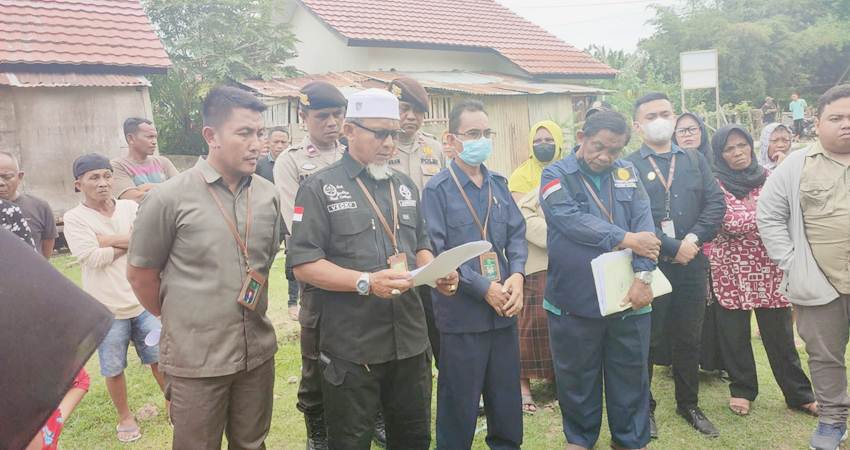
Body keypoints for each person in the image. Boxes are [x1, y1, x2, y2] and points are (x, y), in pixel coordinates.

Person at [289, 88, 457, 449]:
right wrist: (365, 281)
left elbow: (421, 246)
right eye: (378, 133)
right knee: (350, 441)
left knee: (412, 438)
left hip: (410, 342)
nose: (388, 143)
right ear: (349, 130)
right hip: (354, 347)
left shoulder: (406, 187)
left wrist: (436, 271)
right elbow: (304, 263)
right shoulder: (320, 188)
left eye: (393, 134)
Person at [127, 86, 281, 450]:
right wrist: (185, 318)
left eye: (259, 133)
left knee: (252, 443)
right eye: (244, 133)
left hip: (256, 352)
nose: (256, 143)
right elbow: (141, 276)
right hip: (196, 361)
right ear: (211, 136)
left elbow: (265, 261)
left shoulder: (267, 194)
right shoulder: (169, 197)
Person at [541, 110, 659, 450]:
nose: (605, 157)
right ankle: (579, 440)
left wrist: (643, 275)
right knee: (577, 379)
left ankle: (629, 441)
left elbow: (644, 224)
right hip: (574, 300)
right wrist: (626, 238)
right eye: (598, 147)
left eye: (614, 150)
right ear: (581, 137)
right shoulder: (555, 174)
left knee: (630, 379)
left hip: (629, 296)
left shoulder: (628, 172)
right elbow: (569, 220)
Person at [423, 99, 527, 449]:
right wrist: (483, 287)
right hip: (462, 316)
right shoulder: (437, 190)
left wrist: (518, 277)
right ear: (450, 139)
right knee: (459, 408)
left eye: (486, 133)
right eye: (472, 134)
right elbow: (437, 253)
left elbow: (516, 235)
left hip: (504, 314)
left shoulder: (499, 184)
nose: (481, 140)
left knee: (506, 403)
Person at [625, 92, 726, 438]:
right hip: (647, 265)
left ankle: (689, 404)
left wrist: (691, 242)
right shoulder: (627, 166)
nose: (659, 120)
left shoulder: (695, 160)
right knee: (647, 340)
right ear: (637, 125)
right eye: (650, 115)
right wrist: (670, 247)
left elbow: (715, 205)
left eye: (665, 113)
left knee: (689, 336)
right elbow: (629, 218)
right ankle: (645, 407)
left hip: (692, 262)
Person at [758, 84, 850, 450]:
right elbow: (769, 215)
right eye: (836, 118)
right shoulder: (797, 164)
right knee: (824, 355)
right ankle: (832, 420)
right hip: (819, 283)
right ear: (817, 121)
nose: (846, 125)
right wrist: (792, 263)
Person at [708, 124, 816, 417]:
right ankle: (742, 389)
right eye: (729, 148)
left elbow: (790, 212)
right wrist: (767, 216)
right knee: (734, 335)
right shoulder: (714, 183)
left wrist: (766, 217)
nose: (737, 152)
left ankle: (799, 394)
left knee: (780, 336)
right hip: (729, 270)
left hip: (769, 268)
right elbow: (730, 223)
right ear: (719, 154)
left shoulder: (771, 177)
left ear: (751, 147)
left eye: (742, 145)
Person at [63, 153, 165, 444]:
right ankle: (125, 417)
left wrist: (107, 239)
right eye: (94, 177)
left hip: (143, 301)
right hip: (105, 310)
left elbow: (148, 242)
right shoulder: (74, 218)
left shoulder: (130, 206)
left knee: (159, 359)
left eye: (107, 175)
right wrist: (129, 242)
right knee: (113, 367)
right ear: (78, 184)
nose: (103, 183)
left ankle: (174, 405)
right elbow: (92, 258)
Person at [272, 81, 350, 449]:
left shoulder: (352, 153)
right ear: (304, 117)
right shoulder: (289, 161)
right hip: (316, 272)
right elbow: (294, 221)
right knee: (314, 352)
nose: (332, 123)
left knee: (364, 345)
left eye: (338, 115)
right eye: (322, 116)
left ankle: (374, 415)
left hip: (357, 270)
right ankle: (316, 428)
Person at [386, 77, 445, 369]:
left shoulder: (434, 148)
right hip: (395, 249)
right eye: (404, 108)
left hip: (431, 247)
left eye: (418, 111)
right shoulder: (380, 146)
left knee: (439, 323)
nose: (410, 116)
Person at [508, 120, 563, 413]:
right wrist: (562, 233)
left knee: (561, 324)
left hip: (566, 262)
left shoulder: (568, 170)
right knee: (532, 324)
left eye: (549, 139)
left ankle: (559, 380)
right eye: (538, 139)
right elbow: (522, 218)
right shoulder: (521, 176)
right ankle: (522, 385)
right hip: (534, 259)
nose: (544, 144)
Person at [672, 113, 723, 374]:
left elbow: (716, 203)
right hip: (674, 251)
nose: (689, 135)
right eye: (682, 131)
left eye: (693, 129)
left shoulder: (709, 163)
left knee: (706, 313)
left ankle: (712, 361)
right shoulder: (664, 166)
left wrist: (694, 237)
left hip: (706, 248)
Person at [0, 151, 58, 258]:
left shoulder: (40, 207)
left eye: (7, 177)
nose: (1, 183)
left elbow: (47, 245)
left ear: (20, 176)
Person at [110, 118, 179, 202]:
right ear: (130, 138)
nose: (154, 142)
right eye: (149, 137)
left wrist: (150, 187)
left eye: (155, 137)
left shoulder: (163, 162)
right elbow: (134, 198)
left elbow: (183, 188)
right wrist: (169, 187)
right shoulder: (118, 166)